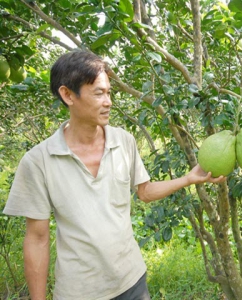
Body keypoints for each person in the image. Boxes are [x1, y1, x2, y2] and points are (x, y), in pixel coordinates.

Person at [3, 50, 225, 300]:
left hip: (132, 282)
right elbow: (37, 238)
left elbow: (144, 191)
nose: (108, 101)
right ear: (67, 95)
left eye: (109, 92)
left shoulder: (124, 141)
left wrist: (189, 178)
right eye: (99, 93)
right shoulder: (38, 161)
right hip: (79, 292)